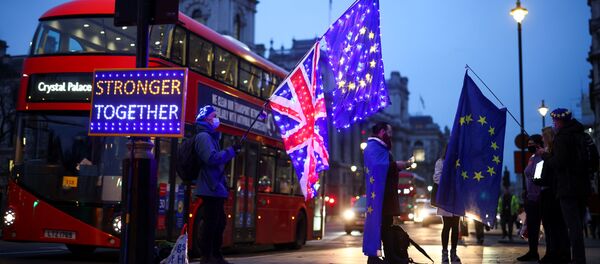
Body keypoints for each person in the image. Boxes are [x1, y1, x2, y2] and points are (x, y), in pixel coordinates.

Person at [193, 105, 241, 264]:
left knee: (219, 222)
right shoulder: (204, 137)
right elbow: (211, 159)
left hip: (215, 187)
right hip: (210, 188)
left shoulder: (211, 136)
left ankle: (215, 254)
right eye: (214, 116)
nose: (216, 119)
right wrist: (231, 151)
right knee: (211, 224)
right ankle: (208, 256)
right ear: (207, 118)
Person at [542, 108, 591, 264]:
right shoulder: (583, 135)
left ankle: (577, 259)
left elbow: (558, 162)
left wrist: (545, 156)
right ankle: (578, 257)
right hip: (583, 187)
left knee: (573, 226)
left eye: (554, 121)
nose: (554, 124)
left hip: (567, 188)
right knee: (578, 226)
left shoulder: (562, 138)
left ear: (559, 121)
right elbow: (594, 159)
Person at [363, 122, 412, 264]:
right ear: (382, 131)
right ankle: (375, 257)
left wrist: (398, 166)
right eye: (389, 132)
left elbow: (384, 168)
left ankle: (389, 256)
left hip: (385, 195)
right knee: (381, 225)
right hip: (380, 196)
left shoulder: (380, 148)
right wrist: (397, 165)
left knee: (386, 225)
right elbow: (378, 167)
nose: (391, 136)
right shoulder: (373, 147)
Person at [535, 126, 571, 263]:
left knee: (556, 225)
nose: (542, 139)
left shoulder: (552, 152)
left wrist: (540, 179)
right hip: (546, 192)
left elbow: (552, 173)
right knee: (549, 225)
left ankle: (559, 253)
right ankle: (552, 252)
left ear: (548, 137)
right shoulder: (547, 153)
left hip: (552, 193)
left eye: (544, 136)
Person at [516, 135, 544, 261]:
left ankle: (537, 252)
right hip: (529, 197)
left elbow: (538, 178)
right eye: (528, 143)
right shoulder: (532, 158)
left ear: (538, 144)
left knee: (537, 226)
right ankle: (532, 251)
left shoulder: (542, 158)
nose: (529, 146)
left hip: (538, 197)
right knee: (531, 227)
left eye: (532, 143)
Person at [432, 145, 461, 263]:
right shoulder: (441, 162)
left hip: (457, 198)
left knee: (455, 226)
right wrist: (450, 183)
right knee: (447, 226)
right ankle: (444, 253)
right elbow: (436, 177)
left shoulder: (459, 162)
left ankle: (454, 253)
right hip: (446, 197)